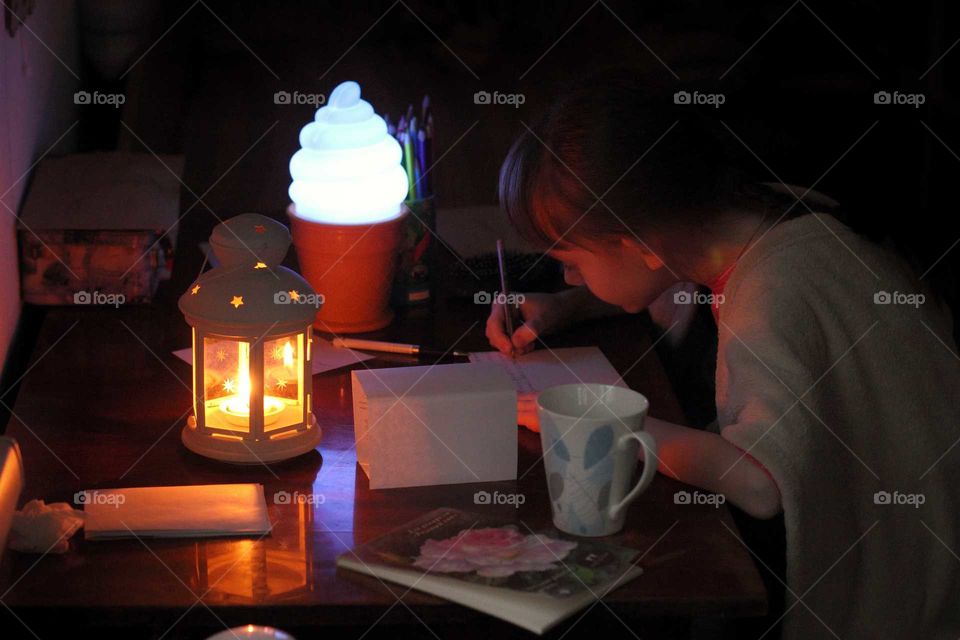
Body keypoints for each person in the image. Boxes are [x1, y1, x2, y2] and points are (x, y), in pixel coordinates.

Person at [485, 70, 960, 639]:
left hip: (905, 591)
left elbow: (760, 484)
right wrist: (566, 305)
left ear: (635, 244)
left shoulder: (770, 295)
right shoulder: (765, 217)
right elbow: (666, 287)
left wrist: (613, 423)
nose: (568, 274)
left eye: (573, 261)